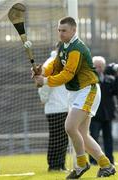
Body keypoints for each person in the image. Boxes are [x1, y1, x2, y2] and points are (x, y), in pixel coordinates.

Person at [32, 17, 116, 179]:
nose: (61, 33)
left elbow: (67, 74)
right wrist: (42, 71)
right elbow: (55, 65)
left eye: (64, 30)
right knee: (83, 135)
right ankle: (106, 165)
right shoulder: (64, 46)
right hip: (77, 92)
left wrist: (46, 81)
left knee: (70, 127)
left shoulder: (77, 48)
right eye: (59, 30)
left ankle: (81, 164)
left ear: (73, 30)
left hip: (88, 90)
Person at [38, 47, 69, 171]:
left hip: (64, 107)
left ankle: (60, 165)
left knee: (63, 139)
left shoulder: (63, 62)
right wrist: (44, 99)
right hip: (55, 108)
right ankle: (54, 165)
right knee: (57, 138)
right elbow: (44, 85)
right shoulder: (51, 63)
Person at [89, 56, 118, 165]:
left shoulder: (109, 79)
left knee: (108, 139)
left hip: (107, 115)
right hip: (94, 115)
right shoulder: (90, 80)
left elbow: (116, 91)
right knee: (93, 138)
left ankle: (110, 159)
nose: (98, 69)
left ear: (104, 67)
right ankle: (93, 160)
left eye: (101, 66)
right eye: (96, 66)